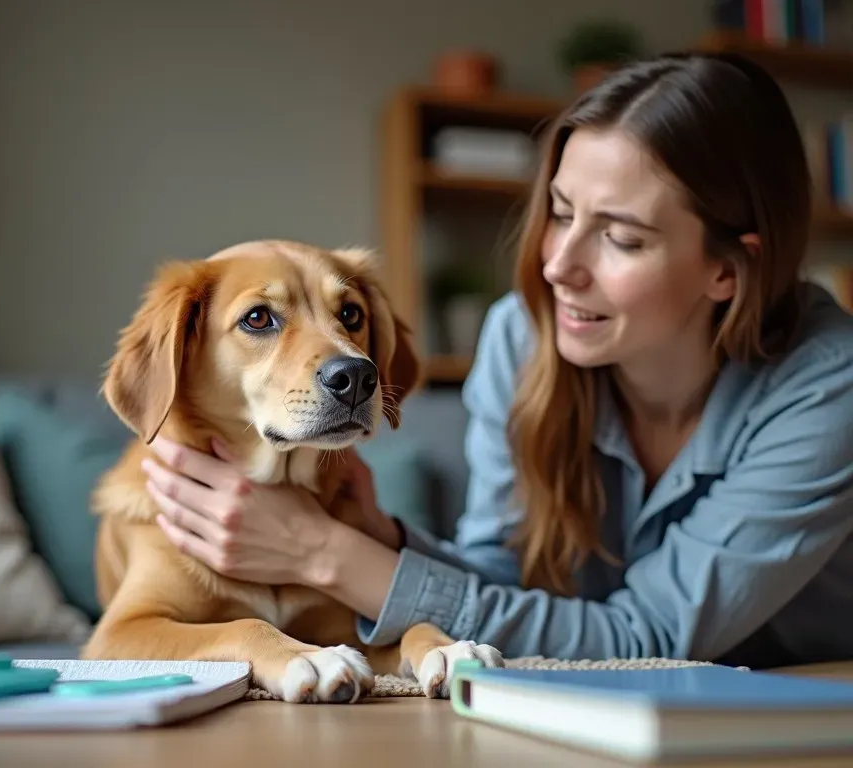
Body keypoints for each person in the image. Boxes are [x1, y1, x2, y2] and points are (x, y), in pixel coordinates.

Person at [140, 52, 853, 670]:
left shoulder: (829, 385)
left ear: (727, 270)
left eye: (623, 238)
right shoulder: (525, 335)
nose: (558, 267)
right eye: (562, 212)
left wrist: (324, 556)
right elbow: (496, 585)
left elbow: (650, 636)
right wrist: (382, 538)